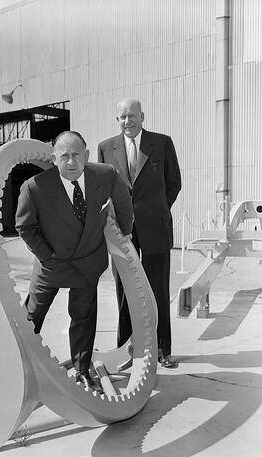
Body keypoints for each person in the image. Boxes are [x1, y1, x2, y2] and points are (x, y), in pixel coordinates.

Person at [15, 131, 133, 391]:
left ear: (87, 155)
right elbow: (25, 226)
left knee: (83, 317)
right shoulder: (35, 187)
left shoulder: (105, 175)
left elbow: (123, 200)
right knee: (32, 317)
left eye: (77, 154)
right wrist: (47, 256)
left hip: (87, 261)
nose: (71, 162)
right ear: (54, 157)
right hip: (51, 264)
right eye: (64, 156)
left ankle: (82, 372)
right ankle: (20, 368)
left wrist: (125, 233)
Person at [98, 98, 181, 368]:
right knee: (124, 290)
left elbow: (173, 183)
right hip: (122, 231)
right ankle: (126, 349)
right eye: (122, 117)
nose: (127, 121)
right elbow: (103, 188)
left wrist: (156, 209)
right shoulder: (105, 148)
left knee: (157, 288)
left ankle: (162, 349)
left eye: (132, 116)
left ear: (142, 116)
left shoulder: (162, 143)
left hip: (155, 228)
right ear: (117, 120)